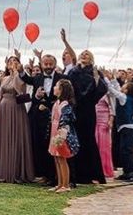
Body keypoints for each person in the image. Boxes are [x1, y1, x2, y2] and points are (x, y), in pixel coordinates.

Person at [64, 36, 107, 185]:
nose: (84, 55)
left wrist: (96, 81)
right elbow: (68, 87)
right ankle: (76, 175)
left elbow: (102, 89)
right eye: (82, 54)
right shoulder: (74, 72)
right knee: (75, 140)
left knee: (88, 141)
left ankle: (93, 174)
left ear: (91, 59)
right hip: (75, 109)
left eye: (87, 54)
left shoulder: (95, 73)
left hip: (88, 110)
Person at [20, 50, 66, 186]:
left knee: (53, 147)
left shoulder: (62, 78)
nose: (47, 66)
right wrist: (37, 97)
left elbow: (64, 98)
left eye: (50, 64)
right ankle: (45, 175)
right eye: (45, 64)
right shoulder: (37, 78)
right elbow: (25, 79)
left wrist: (49, 107)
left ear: (54, 64)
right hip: (38, 118)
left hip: (55, 117)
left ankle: (56, 177)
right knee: (40, 146)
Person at [0, 54, 34, 183]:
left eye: (15, 60)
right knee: (4, 138)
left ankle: (16, 172)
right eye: (10, 61)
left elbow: (20, 89)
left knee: (16, 137)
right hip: (4, 109)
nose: (12, 62)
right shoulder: (4, 78)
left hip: (16, 108)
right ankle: (3, 171)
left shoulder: (20, 77)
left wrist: (16, 72)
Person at [103, 71, 133, 183]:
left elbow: (113, 91)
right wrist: (113, 79)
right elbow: (117, 88)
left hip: (127, 127)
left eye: (124, 86)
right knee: (123, 150)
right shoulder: (126, 97)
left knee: (127, 151)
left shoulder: (124, 97)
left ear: (127, 90)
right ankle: (127, 172)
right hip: (125, 127)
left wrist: (106, 79)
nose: (122, 87)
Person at [48, 79, 78, 193]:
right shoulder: (57, 103)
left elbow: (65, 119)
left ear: (61, 90)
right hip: (54, 131)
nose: (54, 88)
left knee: (62, 158)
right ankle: (59, 184)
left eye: (56, 86)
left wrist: (62, 134)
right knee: (56, 157)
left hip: (61, 133)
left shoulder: (65, 105)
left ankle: (66, 184)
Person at [95, 92, 115, 179]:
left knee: (104, 147)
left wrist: (110, 120)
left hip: (104, 120)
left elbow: (112, 108)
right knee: (96, 144)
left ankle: (105, 170)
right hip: (95, 120)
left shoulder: (107, 94)